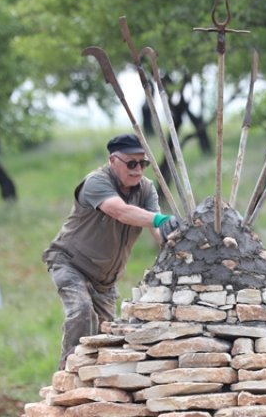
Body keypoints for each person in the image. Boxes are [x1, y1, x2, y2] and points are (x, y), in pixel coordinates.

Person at [42, 133, 180, 369]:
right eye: (131, 163)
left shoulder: (146, 190)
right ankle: (69, 374)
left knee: (106, 336)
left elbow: (157, 232)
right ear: (112, 160)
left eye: (143, 163)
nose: (138, 170)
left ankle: (95, 388)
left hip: (105, 279)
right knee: (82, 311)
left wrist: (177, 238)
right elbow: (119, 211)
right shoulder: (96, 182)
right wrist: (160, 219)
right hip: (71, 263)